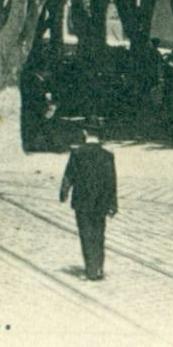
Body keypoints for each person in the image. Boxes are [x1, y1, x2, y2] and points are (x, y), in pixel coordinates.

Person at [59, 120, 118, 280]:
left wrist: (63, 193)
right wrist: (113, 204)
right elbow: (111, 181)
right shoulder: (107, 155)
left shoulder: (77, 153)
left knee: (86, 234)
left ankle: (91, 269)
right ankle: (99, 267)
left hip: (82, 201)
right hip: (101, 202)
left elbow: (69, 175)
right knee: (99, 233)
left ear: (85, 133)